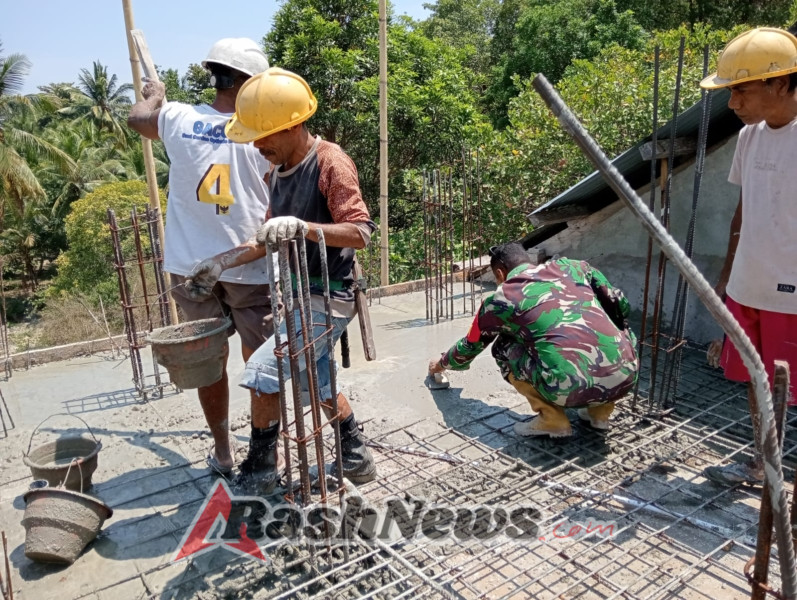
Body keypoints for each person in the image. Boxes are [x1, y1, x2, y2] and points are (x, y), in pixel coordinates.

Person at [186, 67, 377, 494]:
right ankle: (356, 456)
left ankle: (260, 470)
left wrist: (304, 228)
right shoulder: (275, 174)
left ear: (292, 125)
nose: (257, 145)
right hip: (300, 295)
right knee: (316, 381)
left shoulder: (330, 162)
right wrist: (221, 262)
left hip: (331, 296)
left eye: (263, 136)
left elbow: (361, 231)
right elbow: (269, 236)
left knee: (261, 372)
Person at [127, 38, 273, 477]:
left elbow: (137, 118)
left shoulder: (177, 117)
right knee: (262, 359)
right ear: (250, 83)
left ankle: (223, 452)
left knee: (209, 362)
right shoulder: (265, 129)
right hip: (249, 261)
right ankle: (265, 453)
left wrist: (156, 96)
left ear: (216, 76)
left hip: (190, 265)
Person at [699, 27, 797, 485]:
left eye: (742, 89)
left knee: (790, 387)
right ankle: (762, 463)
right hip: (748, 284)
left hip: (791, 294)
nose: (733, 102)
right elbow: (745, 208)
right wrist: (727, 273)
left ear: (780, 83)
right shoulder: (749, 138)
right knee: (757, 382)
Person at [428, 243, 639, 438]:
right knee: (613, 331)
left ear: (500, 273)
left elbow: (471, 345)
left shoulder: (500, 299)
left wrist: (441, 364)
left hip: (567, 389)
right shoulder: (575, 267)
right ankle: (600, 413)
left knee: (503, 345)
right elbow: (620, 305)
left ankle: (552, 420)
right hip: (626, 378)